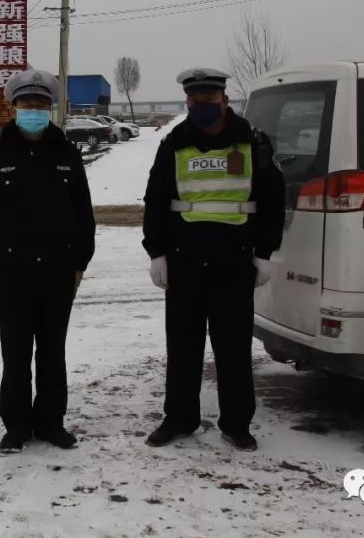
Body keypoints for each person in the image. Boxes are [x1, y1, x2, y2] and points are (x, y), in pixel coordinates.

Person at [142, 67, 285, 452]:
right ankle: (179, 419)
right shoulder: (174, 142)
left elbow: (273, 200)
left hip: (234, 261)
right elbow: (155, 197)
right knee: (183, 346)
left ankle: (237, 424)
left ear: (224, 100)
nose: (200, 106)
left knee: (234, 348)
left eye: (207, 99)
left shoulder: (252, 143)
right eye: (193, 100)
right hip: (184, 260)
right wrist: (156, 252)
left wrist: (265, 254)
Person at [0, 69, 96, 455]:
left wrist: (79, 264)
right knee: (16, 353)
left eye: (40, 105)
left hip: (57, 272)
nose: (33, 111)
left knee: (53, 352)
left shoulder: (68, 154)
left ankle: (52, 423)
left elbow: (84, 215)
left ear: (50, 108)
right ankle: (16, 427)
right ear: (13, 107)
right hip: (12, 271)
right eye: (26, 105)